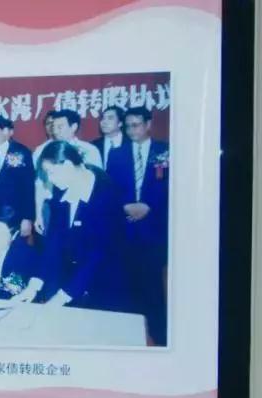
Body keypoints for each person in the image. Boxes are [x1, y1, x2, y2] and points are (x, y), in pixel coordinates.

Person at [38, 140, 131, 313]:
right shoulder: (61, 188)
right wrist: (36, 282)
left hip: (105, 281)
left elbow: (98, 252)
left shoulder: (106, 193)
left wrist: (63, 295)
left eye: (50, 172)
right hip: (73, 279)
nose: (49, 179)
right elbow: (55, 239)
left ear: (67, 165)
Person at [105, 106, 169, 346]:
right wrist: (125, 207)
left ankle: (160, 339)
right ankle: (130, 339)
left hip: (154, 229)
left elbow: (171, 186)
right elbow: (110, 189)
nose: (132, 130)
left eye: (136, 125)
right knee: (127, 286)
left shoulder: (164, 151)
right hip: (125, 229)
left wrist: (148, 206)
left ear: (148, 124)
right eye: (128, 126)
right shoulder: (116, 154)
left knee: (152, 287)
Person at [90, 105, 129, 172]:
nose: (104, 122)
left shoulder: (131, 144)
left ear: (120, 123)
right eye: (103, 118)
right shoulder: (94, 145)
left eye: (110, 118)